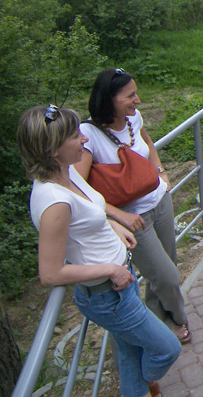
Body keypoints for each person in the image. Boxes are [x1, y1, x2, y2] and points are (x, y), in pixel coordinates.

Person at [18, 104, 181, 397]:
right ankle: (146, 384)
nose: (84, 139)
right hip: (107, 294)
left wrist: (112, 224)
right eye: (74, 136)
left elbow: (87, 213)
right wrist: (111, 269)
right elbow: (50, 274)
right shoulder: (54, 202)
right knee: (167, 348)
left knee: (130, 355)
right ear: (53, 150)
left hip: (121, 282)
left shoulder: (66, 172)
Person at [75, 68, 191, 344]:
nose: (137, 100)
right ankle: (177, 319)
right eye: (130, 96)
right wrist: (118, 216)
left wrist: (161, 172)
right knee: (166, 276)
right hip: (132, 218)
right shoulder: (88, 134)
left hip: (159, 201)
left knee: (165, 268)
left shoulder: (133, 118)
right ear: (109, 99)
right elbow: (78, 188)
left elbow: (148, 143)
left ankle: (160, 321)